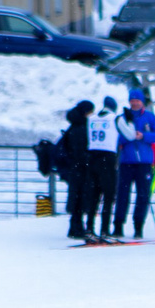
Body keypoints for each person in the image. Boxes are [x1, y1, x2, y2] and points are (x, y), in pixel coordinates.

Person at [115, 88, 155, 239]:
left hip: (144, 162)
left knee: (143, 195)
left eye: (137, 100)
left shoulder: (150, 117)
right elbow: (117, 136)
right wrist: (127, 138)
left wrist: (144, 136)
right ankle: (118, 224)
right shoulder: (122, 117)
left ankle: (138, 226)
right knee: (122, 194)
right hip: (127, 161)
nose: (134, 103)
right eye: (132, 100)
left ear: (142, 102)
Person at [83, 95, 121, 241]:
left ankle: (89, 229)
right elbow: (128, 135)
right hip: (108, 157)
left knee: (93, 196)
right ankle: (105, 230)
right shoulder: (115, 118)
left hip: (92, 157)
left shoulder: (92, 118)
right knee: (108, 195)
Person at [57, 100, 94, 240]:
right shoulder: (81, 127)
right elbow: (80, 150)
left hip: (73, 168)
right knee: (80, 197)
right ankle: (77, 228)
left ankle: (75, 226)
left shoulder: (73, 126)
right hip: (80, 167)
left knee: (75, 196)